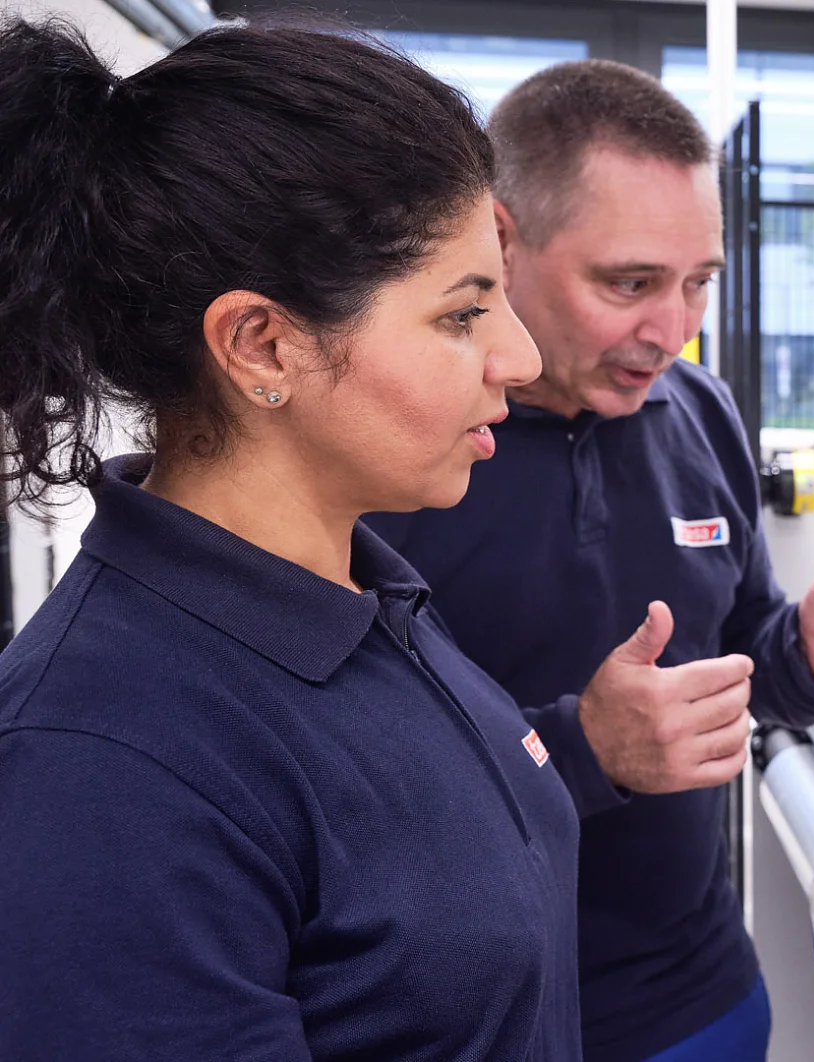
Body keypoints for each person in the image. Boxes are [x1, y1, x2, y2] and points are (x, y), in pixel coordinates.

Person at [0, 20, 585, 1061]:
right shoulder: (98, 772)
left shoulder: (366, 597)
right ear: (261, 343)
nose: (521, 357)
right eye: (461, 315)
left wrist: (592, 747)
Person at [364, 60, 814, 1062]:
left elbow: (742, 661)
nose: (671, 332)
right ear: (501, 239)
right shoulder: (392, 447)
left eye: (698, 284)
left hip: (695, 997)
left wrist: (806, 649)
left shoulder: (699, 410)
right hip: (471, 1021)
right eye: (628, 284)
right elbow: (340, 777)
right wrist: (580, 748)